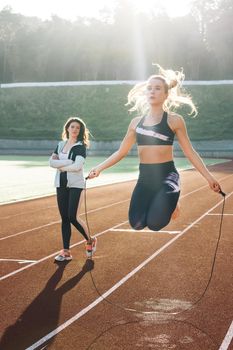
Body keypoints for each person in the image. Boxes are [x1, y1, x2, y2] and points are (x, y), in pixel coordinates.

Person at [88, 64, 222, 231]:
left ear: (166, 94)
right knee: (137, 224)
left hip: (167, 176)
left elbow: (190, 152)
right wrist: (99, 168)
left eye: (157, 88)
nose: (152, 91)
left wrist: (209, 178)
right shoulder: (135, 123)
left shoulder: (174, 121)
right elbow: (121, 152)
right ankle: (163, 201)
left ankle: (171, 202)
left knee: (155, 224)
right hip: (145, 178)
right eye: (149, 88)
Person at [49, 117, 97, 261]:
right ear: (67, 128)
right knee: (64, 218)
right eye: (72, 127)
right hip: (61, 183)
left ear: (80, 130)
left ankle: (90, 240)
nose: (75, 129)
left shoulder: (80, 147)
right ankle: (66, 252)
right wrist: (67, 162)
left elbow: (77, 166)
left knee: (72, 217)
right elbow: (51, 162)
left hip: (76, 184)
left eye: (78, 127)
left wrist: (60, 165)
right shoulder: (60, 145)